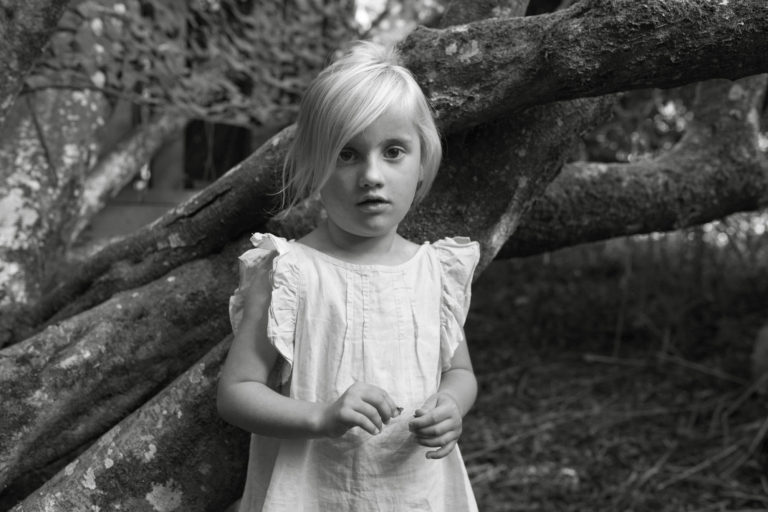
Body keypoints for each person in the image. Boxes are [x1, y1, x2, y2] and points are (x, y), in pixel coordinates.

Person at [217, 40, 480, 511]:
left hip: (414, 492)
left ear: (423, 161)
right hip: (312, 495)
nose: (372, 175)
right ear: (315, 166)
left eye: (394, 151)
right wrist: (322, 416)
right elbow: (236, 394)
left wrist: (452, 406)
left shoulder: (434, 272)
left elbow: (458, 372)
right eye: (347, 154)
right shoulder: (289, 273)